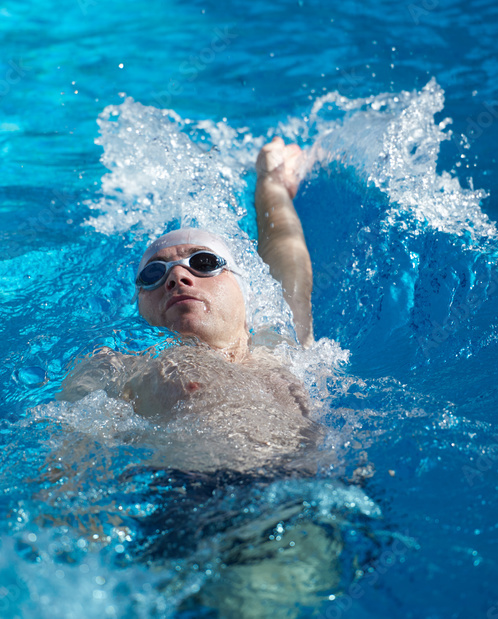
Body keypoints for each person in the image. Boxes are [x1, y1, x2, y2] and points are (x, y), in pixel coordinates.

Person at [54, 136, 346, 617]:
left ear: (245, 292)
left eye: (203, 263)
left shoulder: (286, 346)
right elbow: (69, 450)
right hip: (207, 507)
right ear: (142, 306)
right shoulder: (118, 366)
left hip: (325, 493)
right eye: (154, 275)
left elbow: (287, 260)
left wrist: (271, 186)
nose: (177, 277)